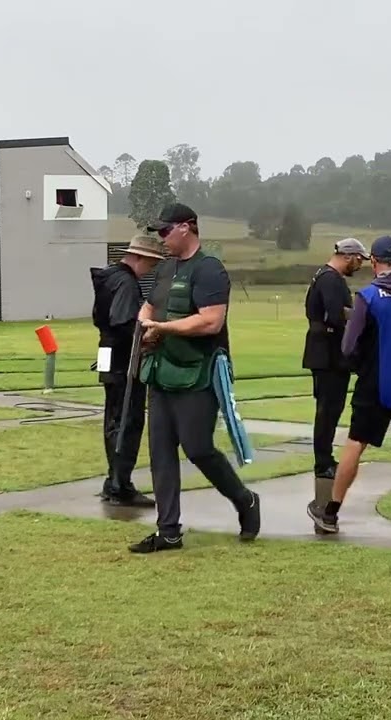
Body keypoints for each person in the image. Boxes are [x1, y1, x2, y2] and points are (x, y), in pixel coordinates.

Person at [129, 202, 261, 553]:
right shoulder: (164, 269)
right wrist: (146, 327)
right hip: (160, 370)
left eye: (165, 231)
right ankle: (168, 531)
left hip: (198, 373)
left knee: (198, 448)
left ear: (186, 227)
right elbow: (150, 307)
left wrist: (163, 327)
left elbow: (210, 321)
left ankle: (245, 500)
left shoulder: (209, 269)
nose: (161, 238)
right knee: (160, 452)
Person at [306, 235, 391, 538]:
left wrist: (363, 361)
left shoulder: (368, 297)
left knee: (355, 444)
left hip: (376, 384)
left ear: (375, 261)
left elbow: (348, 344)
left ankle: (330, 513)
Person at [90, 234, 166, 507]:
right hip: (125, 359)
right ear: (139, 258)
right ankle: (120, 485)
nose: (151, 269)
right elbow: (123, 321)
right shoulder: (126, 282)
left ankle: (115, 481)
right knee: (127, 420)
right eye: (151, 263)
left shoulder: (108, 277)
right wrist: (148, 335)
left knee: (114, 418)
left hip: (108, 353)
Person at [301, 237, 369, 480]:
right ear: (348, 256)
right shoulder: (330, 279)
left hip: (325, 352)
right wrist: (363, 315)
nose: (360, 265)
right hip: (327, 354)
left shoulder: (325, 276)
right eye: (359, 259)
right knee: (328, 410)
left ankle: (326, 458)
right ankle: (323, 462)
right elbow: (334, 315)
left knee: (330, 409)